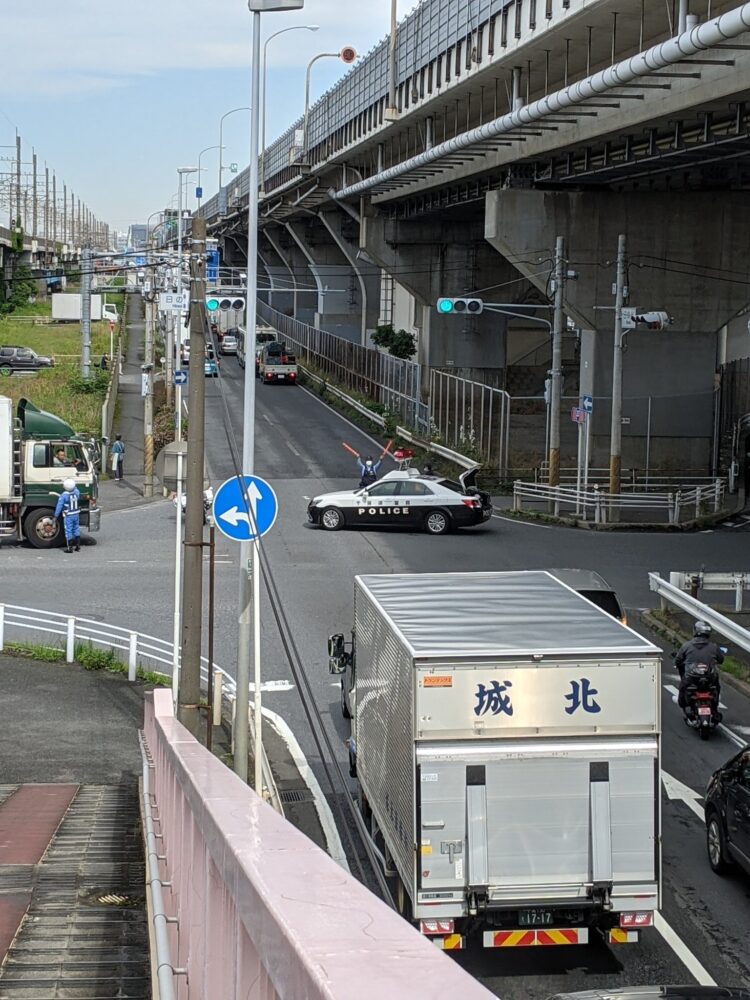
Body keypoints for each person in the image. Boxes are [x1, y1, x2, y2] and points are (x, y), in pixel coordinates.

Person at [675, 621, 723, 712]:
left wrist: (678, 664)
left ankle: (683, 704)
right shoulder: (714, 647)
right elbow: (721, 660)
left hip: (691, 679)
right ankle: (714, 707)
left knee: (683, 687)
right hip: (709, 679)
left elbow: (678, 660)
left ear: (695, 631)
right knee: (716, 686)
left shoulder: (686, 646)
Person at [54, 478, 81, 553]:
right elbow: (76, 490)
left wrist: (56, 515)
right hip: (76, 513)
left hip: (68, 515)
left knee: (68, 530)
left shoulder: (64, 495)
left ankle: (70, 548)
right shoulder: (76, 492)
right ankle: (78, 546)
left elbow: (59, 506)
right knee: (76, 528)